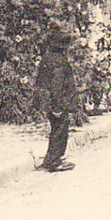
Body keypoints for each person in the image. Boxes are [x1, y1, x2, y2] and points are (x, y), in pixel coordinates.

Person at [34, 24, 78, 172]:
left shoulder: (47, 58)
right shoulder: (60, 61)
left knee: (56, 130)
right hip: (57, 103)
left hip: (48, 101)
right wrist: (57, 107)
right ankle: (55, 161)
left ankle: (50, 159)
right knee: (60, 131)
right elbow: (57, 85)